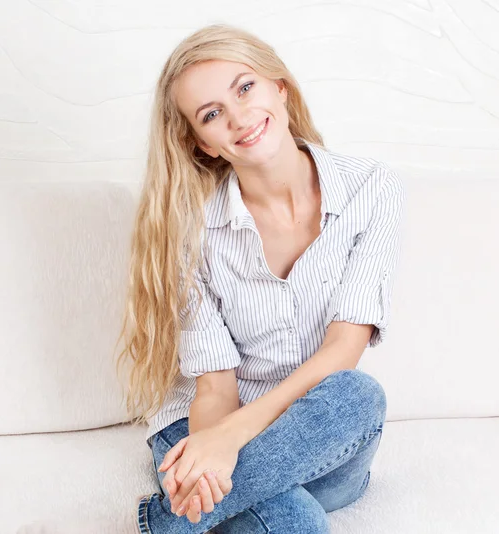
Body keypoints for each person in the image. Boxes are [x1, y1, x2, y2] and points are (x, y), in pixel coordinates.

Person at [114, 23, 406, 534]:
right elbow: (215, 388)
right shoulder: (191, 229)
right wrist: (214, 447)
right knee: (298, 525)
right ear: (201, 143)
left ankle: (163, 522)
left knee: (358, 394)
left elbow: (344, 348)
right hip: (203, 426)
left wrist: (232, 441)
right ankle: (217, 503)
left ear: (281, 88)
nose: (239, 117)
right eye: (211, 114)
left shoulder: (371, 189)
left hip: (317, 441)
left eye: (245, 87)